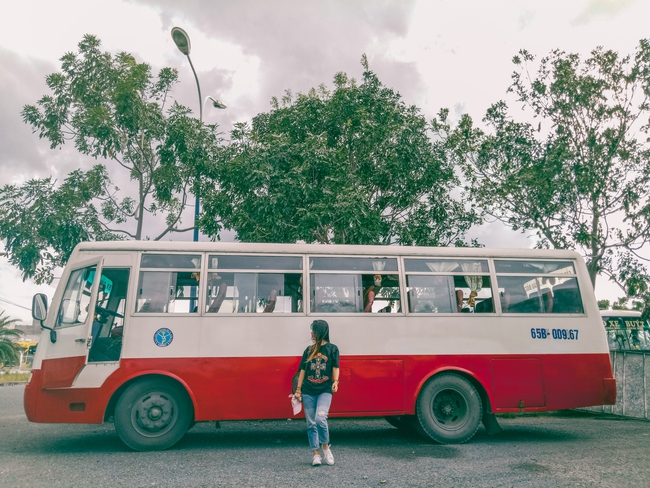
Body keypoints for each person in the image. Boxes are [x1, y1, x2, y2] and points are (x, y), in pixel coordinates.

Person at [294, 320, 340, 466]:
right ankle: (315, 454)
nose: (311, 333)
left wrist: (336, 381)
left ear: (320, 331)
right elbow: (302, 371)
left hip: (324, 391)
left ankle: (325, 447)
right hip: (308, 391)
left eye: (313, 330)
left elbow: (335, 367)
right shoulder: (309, 350)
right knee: (311, 424)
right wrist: (298, 390)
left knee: (320, 418)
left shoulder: (333, 349)